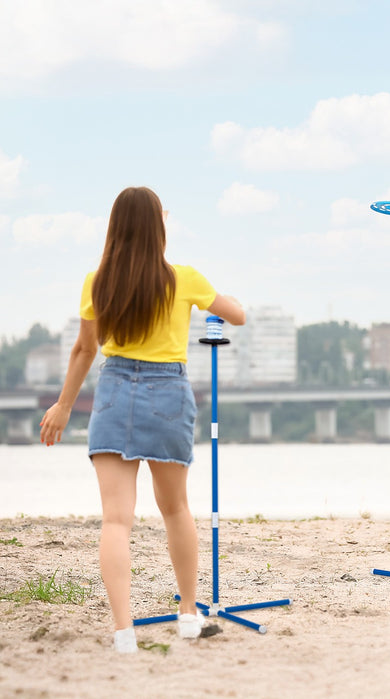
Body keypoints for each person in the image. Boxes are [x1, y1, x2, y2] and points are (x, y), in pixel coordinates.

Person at [39, 186, 245, 653]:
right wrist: (214, 296)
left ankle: (123, 632)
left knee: (116, 521)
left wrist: (65, 405)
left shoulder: (97, 282)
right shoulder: (184, 278)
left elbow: (84, 350)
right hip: (168, 394)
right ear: (158, 227)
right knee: (176, 510)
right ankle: (189, 616)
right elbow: (239, 316)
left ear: (115, 227)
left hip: (113, 394)